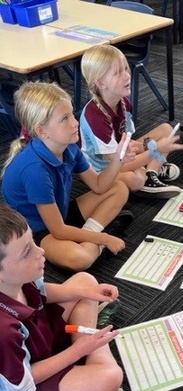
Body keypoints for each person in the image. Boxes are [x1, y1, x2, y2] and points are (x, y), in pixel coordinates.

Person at [0, 205, 125, 391]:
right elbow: (23, 382)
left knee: (86, 281)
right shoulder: (4, 331)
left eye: (33, 241)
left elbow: (41, 292)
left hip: (39, 337)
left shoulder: (20, 277)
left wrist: (85, 292)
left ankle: (86, 354)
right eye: (27, 252)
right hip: (28, 384)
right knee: (110, 378)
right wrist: (77, 352)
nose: (41, 251)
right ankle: (89, 351)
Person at [1, 81, 135, 272]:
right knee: (80, 259)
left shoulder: (69, 146)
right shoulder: (34, 169)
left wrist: (118, 161)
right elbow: (57, 230)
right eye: (65, 119)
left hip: (59, 214)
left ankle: (88, 236)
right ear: (42, 131)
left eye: (72, 114)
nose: (75, 122)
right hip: (39, 231)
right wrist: (104, 238)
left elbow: (99, 185)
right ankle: (96, 238)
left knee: (119, 188)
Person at [80, 44, 183, 198]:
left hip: (122, 153)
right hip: (104, 170)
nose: (127, 76)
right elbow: (118, 163)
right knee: (134, 180)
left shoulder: (123, 102)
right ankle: (147, 173)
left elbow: (130, 143)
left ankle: (150, 173)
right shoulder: (94, 117)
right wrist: (155, 150)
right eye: (118, 73)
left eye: (126, 68)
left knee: (166, 130)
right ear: (101, 83)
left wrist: (149, 148)